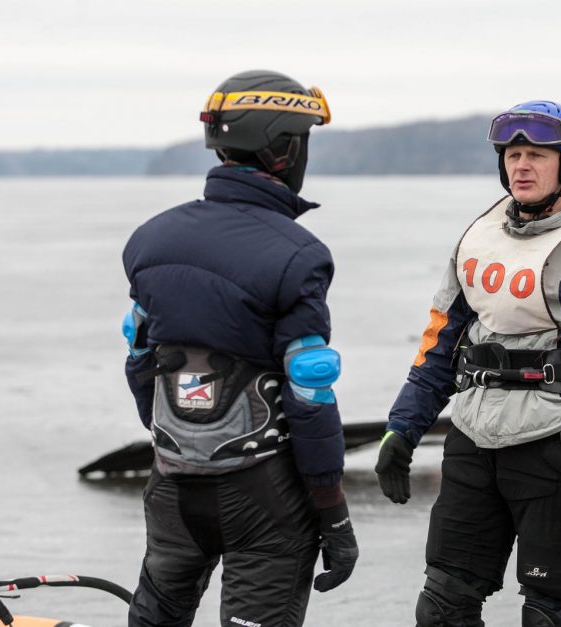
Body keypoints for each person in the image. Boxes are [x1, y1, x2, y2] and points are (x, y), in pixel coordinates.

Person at [374, 101, 561, 626]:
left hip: (555, 445)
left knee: (549, 614)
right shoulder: (477, 237)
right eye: (513, 155)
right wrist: (402, 427)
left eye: (537, 155)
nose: (521, 166)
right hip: (472, 442)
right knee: (441, 608)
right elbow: (439, 345)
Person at [122, 69, 358, 627]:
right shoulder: (300, 255)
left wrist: (177, 443)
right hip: (263, 496)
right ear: (283, 149)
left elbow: (140, 364)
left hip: (171, 488)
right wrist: (333, 512)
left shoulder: (149, 240)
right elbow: (310, 393)